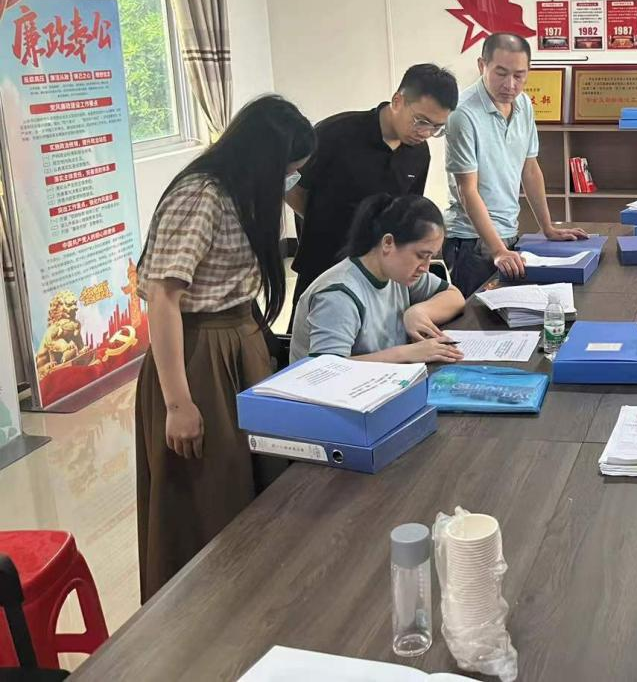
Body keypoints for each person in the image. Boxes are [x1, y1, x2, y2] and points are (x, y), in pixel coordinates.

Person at [134, 95, 316, 602]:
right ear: (263, 158)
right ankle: (204, 605)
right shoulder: (200, 195)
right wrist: (178, 403)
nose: (292, 180)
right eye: (289, 170)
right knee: (209, 488)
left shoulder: (244, 193)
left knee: (254, 477)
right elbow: (163, 298)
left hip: (240, 340)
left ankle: (256, 595)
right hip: (199, 355)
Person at [286, 63, 459, 320]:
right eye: (421, 121)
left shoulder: (419, 154)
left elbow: (407, 213)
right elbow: (292, 186)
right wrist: (319, 219)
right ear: (398, 101)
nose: (425, 133)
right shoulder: (336, 133)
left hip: (379, 270)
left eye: (436, 127)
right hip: (324, 261)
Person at [444, 33, 587, 296]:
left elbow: (530, 169)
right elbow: (467, 190)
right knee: (476, 318)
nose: (510, 85)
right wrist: (497, 249)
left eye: (519, 75)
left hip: (510, 232)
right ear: (482, 65)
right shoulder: (462, 114)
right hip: (471, 240)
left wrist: (547, 228)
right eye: (501, 73)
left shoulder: (523, 104)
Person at [290, 194, 467, 363]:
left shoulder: (399, 274)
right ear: (388, 243)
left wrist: (418, 312)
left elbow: (454, 296)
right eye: (421, 255)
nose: (425, 267)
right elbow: (326, 370)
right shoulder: (338, 295)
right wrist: (406, 353)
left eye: (431, 257)